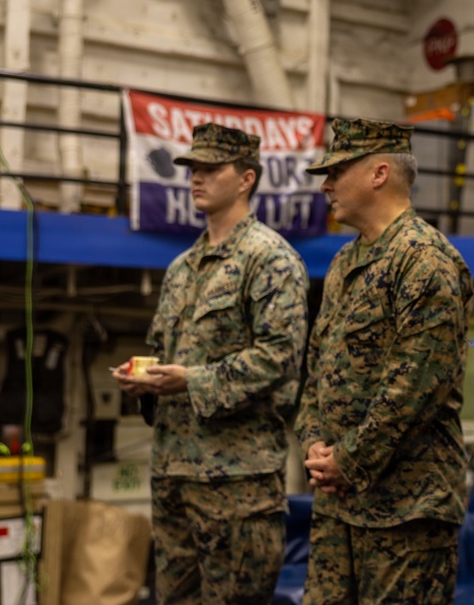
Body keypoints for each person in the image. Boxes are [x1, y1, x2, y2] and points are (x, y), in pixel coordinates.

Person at [115, 122, 309, 605]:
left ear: (246, 178)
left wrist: (189, 381)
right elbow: (167, 350)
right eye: (193, 169)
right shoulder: (181, 267)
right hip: (175, 471)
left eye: (211, 168)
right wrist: (145, 377)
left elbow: (278, 358)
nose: (196, 178)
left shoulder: (270, 259)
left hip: (237, 482)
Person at [295, 117, 474, 604]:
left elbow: (414, 390)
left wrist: (348, 459)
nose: (327, 185)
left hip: (406, 509)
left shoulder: (425, 260)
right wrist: (315, 444)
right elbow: (316, 371)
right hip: (338, 502)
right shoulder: (343, 263)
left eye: (337, 171)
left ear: (379, 173)